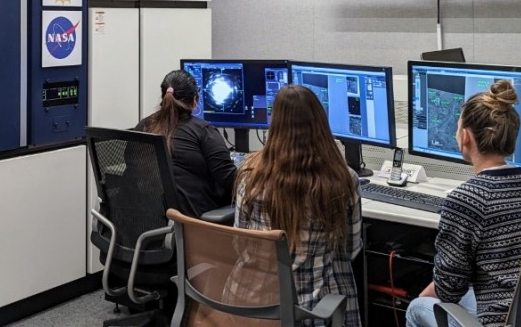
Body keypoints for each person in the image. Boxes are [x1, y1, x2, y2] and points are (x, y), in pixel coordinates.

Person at [405, 80, 521, 327]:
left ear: (464, 137)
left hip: (505, 321)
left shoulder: (466, 199)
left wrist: (423, 296)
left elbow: (449, 289)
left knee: (417, 307)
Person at [233, 85, 363, 327]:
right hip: (313, 313)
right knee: (341, 273)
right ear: (320, 124)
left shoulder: (250, 174)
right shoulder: (343, 179)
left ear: (275, 124)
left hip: (252, 306)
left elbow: (241, 243)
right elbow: (350, 249)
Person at [135, 69, 237, 218]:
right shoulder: (203, 131)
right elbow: (230, 180)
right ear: (195, 100)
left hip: (148, 223)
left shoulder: (142, 126)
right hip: (191, 226)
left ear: (164, 97)